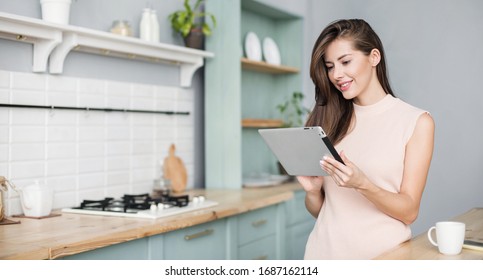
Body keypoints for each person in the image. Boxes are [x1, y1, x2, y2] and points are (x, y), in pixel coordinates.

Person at [298, 19, 435, 259]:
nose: (336, 75)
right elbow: (324, 213)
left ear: (374, 57)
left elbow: (409, 211)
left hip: (383, 261)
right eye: (330, 66)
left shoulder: (416, 122)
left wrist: (363, 184)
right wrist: (312, 192)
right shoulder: (327, 119)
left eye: (345, 62)